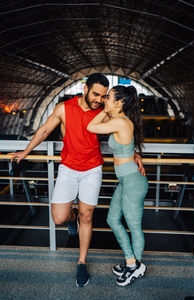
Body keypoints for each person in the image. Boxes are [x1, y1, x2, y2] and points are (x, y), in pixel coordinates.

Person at [9, 73, 145, 288]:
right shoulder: (64, 108)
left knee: (87, 216)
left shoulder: (103, 111)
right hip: (68, 168)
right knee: (59, 218)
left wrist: (134, 154)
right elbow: (44, 130)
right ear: (86, 89)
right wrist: (25, 152)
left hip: (93, 169)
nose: (99, 100)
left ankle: (81, 262)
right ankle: (71, 220)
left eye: (103, 96)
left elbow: (124, 130)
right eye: (96, 94)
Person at [87, 85, 148, 287]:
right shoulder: (118, 120)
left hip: (133, 182)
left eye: (109, 97)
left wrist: (105, 110)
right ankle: (132, 261)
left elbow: (91, 127)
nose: (105, 99)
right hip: (126, 180)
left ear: (119, 103)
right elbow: (125, 146)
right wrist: (107, 110)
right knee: (112, 219)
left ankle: (134, 265)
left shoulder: (121, 122)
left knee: (134, 226)